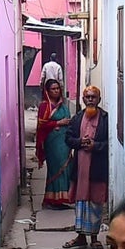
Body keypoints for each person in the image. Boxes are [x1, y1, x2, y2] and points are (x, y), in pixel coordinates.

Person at [62, 86, 110, 249]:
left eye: (93, 97)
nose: (90, 100)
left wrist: (95, 145)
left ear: (99, 100)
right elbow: (68, 139)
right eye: (87, 97)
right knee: (81, 202)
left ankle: (94, 237)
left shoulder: (105, 119)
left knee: (95, 202)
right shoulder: (77, 118)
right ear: (83, 100)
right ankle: (81, 237)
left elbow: (108, 143)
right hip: (81, 168)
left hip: (97, 168)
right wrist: (80, 142)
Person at [35, 79, 73, 210]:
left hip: (64, 142)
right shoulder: (45, 106)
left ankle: (61, 198)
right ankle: (50, 200)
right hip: (52, 143)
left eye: (58, 88)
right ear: (47, 91)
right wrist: (57, 123)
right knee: (55, 169)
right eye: (53, 89)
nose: (56, 91)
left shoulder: (64, 106)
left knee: (66, 168)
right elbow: (41, 125)